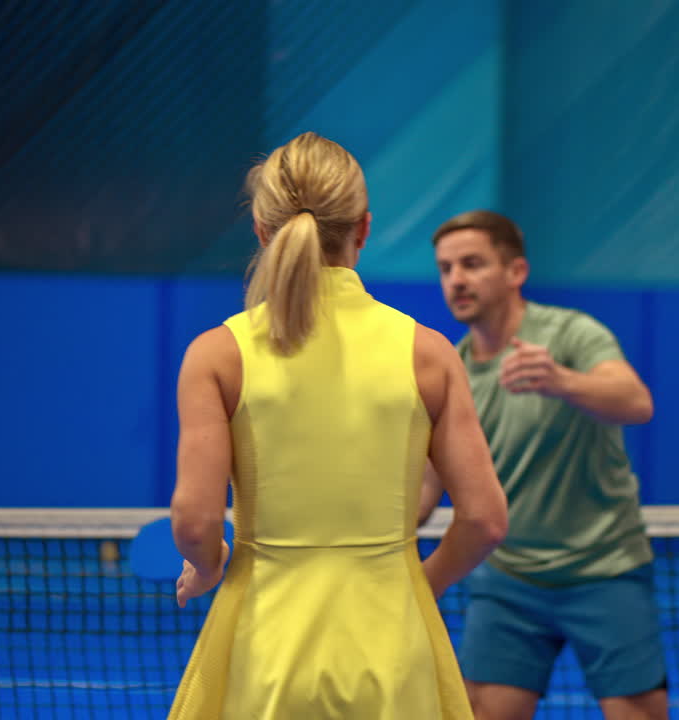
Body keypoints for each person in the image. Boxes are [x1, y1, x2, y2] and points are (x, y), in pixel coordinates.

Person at [167, 133, 508, 720]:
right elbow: (484, 519)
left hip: (261, 650)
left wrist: (206, 566)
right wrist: (420, 584)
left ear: (260, 229)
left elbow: (195, 523)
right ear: (363, 229)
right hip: (393, 650)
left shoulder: (216, 355)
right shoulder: (428, 354)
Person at [420, 210, 668, 720]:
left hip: (604, 568)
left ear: (516, 272)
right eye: (446, 269)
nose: (457, 280)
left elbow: (637, 401)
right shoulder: (453, 371)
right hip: (508, 580)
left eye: (472, 264)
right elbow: (425, 490)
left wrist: (561, 380)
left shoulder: (572, 334)